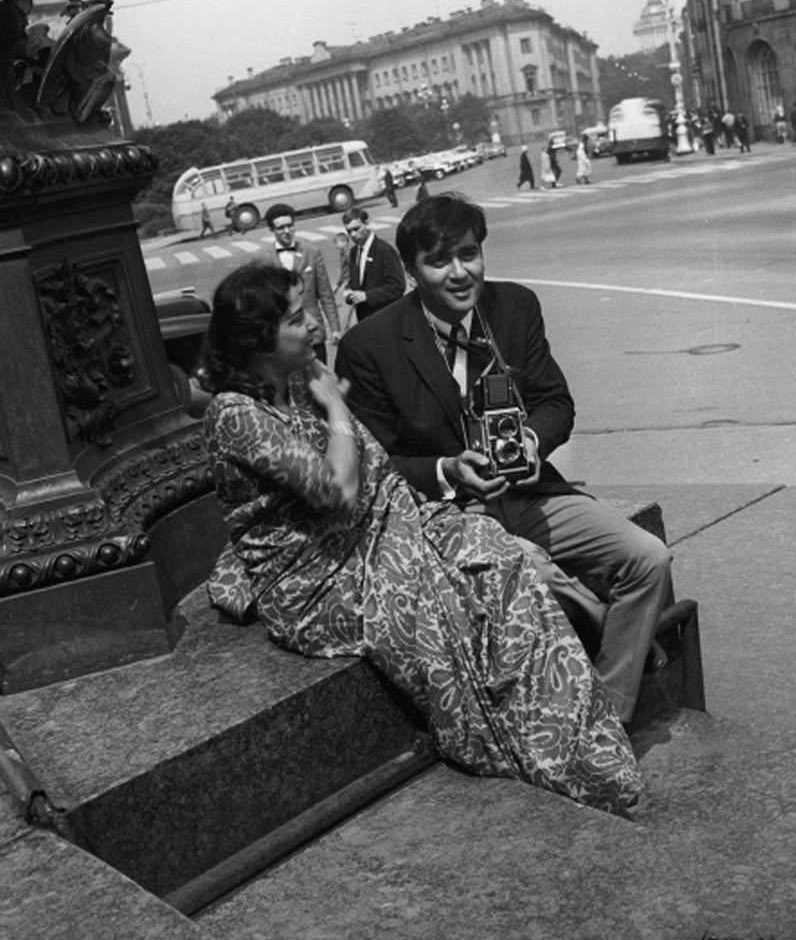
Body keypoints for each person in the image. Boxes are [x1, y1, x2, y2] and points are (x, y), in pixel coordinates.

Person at [200, 262, 640, 814]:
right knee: (444, 605)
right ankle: (532, 748)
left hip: (376, 533)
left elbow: (375, 474)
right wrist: (336, 406)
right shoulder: (234, 413)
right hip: (319, 580)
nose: (313, 324)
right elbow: (338, 491)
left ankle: (578, 739)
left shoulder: (297, 378)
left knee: (496, 554)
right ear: (257, 341)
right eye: (295, 318)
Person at [335, 193, 675, 725]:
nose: (459, 272)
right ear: (411, 272)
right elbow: (373, 464)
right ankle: (616, 644)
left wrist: (532, 442)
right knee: (532, 571)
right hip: (448, 515)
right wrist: (447, 470)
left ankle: (607, 715)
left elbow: (555, 402)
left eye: (469, 254)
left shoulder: (515, 306)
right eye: (438, 261)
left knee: (649, 558)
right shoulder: (368, 345)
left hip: (530, 492)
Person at [264, 203, 340, 363]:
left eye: (290, 225)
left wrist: (335, 328)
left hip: (313, 333)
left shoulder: (311, 252)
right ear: (272, 230)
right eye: (281, 228)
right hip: (285, 338)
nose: (287, 231)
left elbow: (325, 293)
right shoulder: (264, 259)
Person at [335, 206, 405, 329]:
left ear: (367, 224)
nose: (353, 235)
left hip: (387, 319)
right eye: (349, 231)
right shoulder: (354, 252)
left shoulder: (384, 250)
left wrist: (367, 296)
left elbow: (398, 286)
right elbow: (356, 282)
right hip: (366, 321)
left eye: (357, 229)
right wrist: (349, 292)